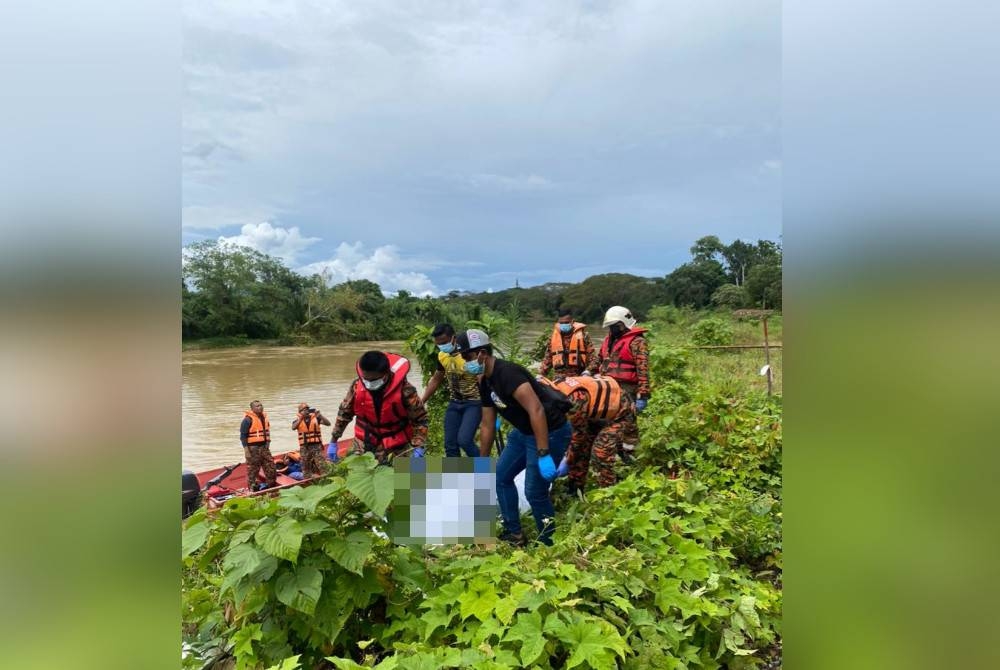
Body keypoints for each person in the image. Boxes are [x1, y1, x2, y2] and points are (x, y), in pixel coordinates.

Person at [456, 328, 572, 547]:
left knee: (534, 492)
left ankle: (548, 542)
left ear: (481, 353)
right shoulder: (485, 381)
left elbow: (536, 409)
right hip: (523, 433)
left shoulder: (508, 374)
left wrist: (543, 452)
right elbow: (488, 423)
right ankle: (515, 534)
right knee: (499, 477)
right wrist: (482, 462)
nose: (465, 362)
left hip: (550, 431)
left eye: (467, 357)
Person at [329, 350, 428, 465]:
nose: (369, 384)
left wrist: (419, 446)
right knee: (363, 479)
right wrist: (333, 441)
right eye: (365, 379)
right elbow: (344, 413)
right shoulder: (357, 386)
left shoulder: (406, 391)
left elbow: (420, 420)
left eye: (373, 380)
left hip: (397, 448)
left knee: (401, 481)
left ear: (386, 374)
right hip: (363, 445)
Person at [538, 375, 635, 491]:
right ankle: (575, 487)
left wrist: (567, 460)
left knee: (601, 451)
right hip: (596, 413)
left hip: (620, 412)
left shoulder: (572, 402)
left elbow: (579, 436)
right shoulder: (553, 390)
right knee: (582, 449)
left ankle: (609, 491)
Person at [587, 306, 650, 457]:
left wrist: (643, 394)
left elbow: (643, 369)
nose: (612, 329)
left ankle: (630, 454)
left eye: (614, 326)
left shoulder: (637, 342)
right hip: (607, 386)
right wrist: (588, 371)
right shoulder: (609, 339)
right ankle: (611, 450)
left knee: (628, 421)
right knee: (607, 419)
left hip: (627, 387)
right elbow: (599, 358)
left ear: (623, 324)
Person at [419, 323, 482, 457]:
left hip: (474, 403)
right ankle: (455, 477)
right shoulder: (442, 356)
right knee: (450, 444)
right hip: (454, 403)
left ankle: (485, 472)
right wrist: (421, 401)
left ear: (454, 338)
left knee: (464, 441)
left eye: (444, 342)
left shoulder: (468, 354)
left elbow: (483, 378)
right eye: (438, 344)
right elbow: (436, 379)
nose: (441, 346)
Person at [539, 307, 595, 379]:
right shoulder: (553, 338)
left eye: (566, 322)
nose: (564, 325)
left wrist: (588, 372)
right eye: (561, 323)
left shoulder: (583, 336)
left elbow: (593, 359)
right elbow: (548, 359)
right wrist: (541, 374)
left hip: (579, 377)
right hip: (559, 378)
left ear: (572, 321)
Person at [239, 400, 277, 490]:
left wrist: (268, 443)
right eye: (257, 406)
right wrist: (246, 450)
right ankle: (252, 489)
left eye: (261, 405)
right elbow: (242, 436)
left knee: (271, 467)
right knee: (253, 470)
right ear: (252, 409)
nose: (260, 407)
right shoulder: (247, 420)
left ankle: (271, 486)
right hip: (253, 449)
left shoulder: (264, 418)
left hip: (264, 447)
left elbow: (267, 432)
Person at [292, 402, 331, 478]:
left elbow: (328, 423)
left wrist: (320, 416)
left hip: (316, 446)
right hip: (305, 447)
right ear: (300, 412)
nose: (306, 411)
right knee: (305, 468)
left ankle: (327, 478)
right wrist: (300, 419)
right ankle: (311, 479)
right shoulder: (297, 421)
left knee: (322, 465)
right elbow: (293, 427)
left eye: (307, 409)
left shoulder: (316, 418)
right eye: (304, 410)